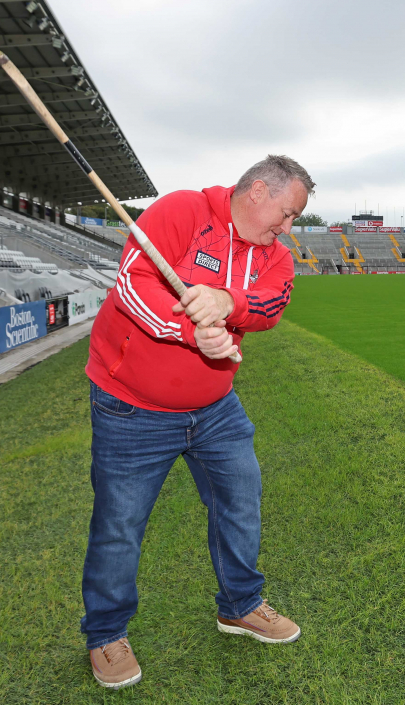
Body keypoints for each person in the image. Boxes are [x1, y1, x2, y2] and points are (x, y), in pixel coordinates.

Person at [81, 155, 313, 689]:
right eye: (286, 213)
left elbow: (270, 305)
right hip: (131, 406)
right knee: (119, 526)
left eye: (294, 218)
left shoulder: (275, 258)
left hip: (214, 409)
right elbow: (132, 285)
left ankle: (239, 605)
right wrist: (189, 331)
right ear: (257, 190)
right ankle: (106, 634)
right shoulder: (183, 211)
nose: (287, 227)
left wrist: (224, 300)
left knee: (240, 500)